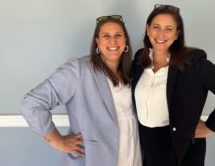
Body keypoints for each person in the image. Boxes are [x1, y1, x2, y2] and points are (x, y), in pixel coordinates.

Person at [131, 5, 215, 166]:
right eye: (156, 27)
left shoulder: (193, 62)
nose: (161, 34)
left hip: (180, 147)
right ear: (148, 29)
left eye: (168, 29)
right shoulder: (139, 59)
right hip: (147, 145)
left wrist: (211, 126)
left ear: (177, 34)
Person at [22, 15, 142, 166]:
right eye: (106, 36)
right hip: (94, 160)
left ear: (126, 41)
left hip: (133, 155)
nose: (113, 41)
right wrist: (58, 141)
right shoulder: (79, 69)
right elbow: (32, 104)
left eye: (118, 35)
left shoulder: (133, 71)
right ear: (97, 42)